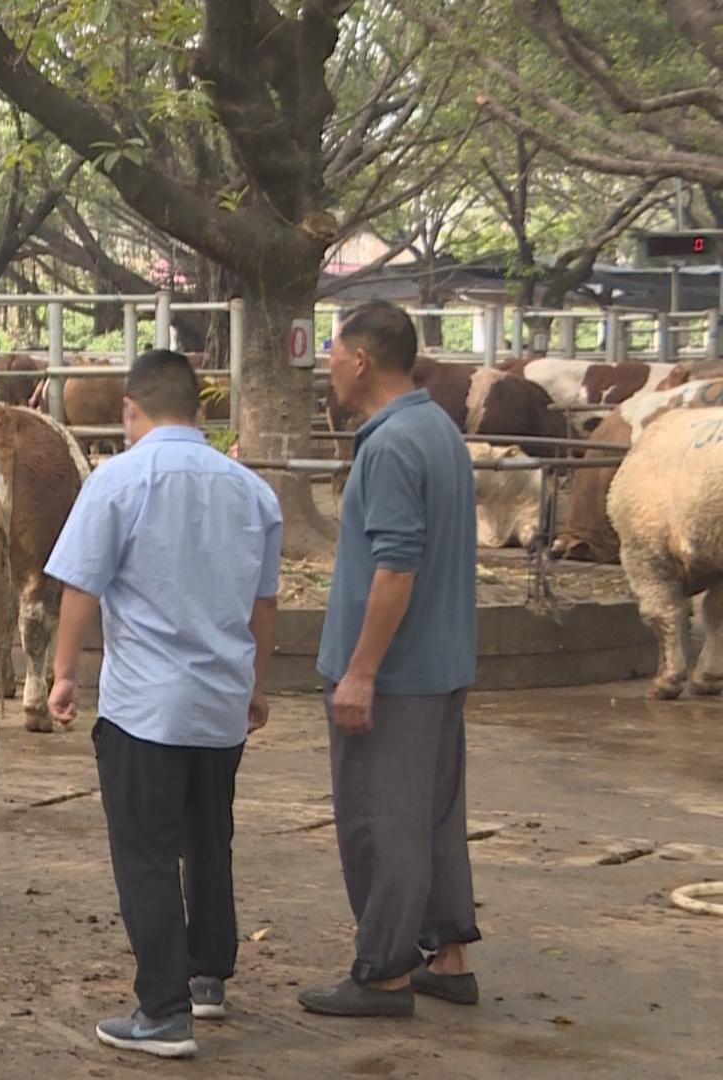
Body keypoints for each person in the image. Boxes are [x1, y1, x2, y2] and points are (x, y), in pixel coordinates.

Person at [46, 349, 282, 1060]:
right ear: (200, 410)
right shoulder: (252, 492)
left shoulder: (117, 480)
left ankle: (162, 1009)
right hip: (219, 702)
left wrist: (63, 674)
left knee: (145, 851)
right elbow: (264, 602)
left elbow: (80, 587)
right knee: (209, 839)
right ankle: (207, 975)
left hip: (146, 707)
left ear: (129, 410)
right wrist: (257, 685)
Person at [299, 299, 481, 1018]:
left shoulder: (390, 445)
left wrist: (362, 670)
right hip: (441, 665)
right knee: (433, 815)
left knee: (381, 820)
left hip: (395, 675)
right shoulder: (437, 430)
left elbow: (396, 567)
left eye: (333, 355)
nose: (328, 368)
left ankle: (383, 973)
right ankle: (449, 954)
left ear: (363, 360)